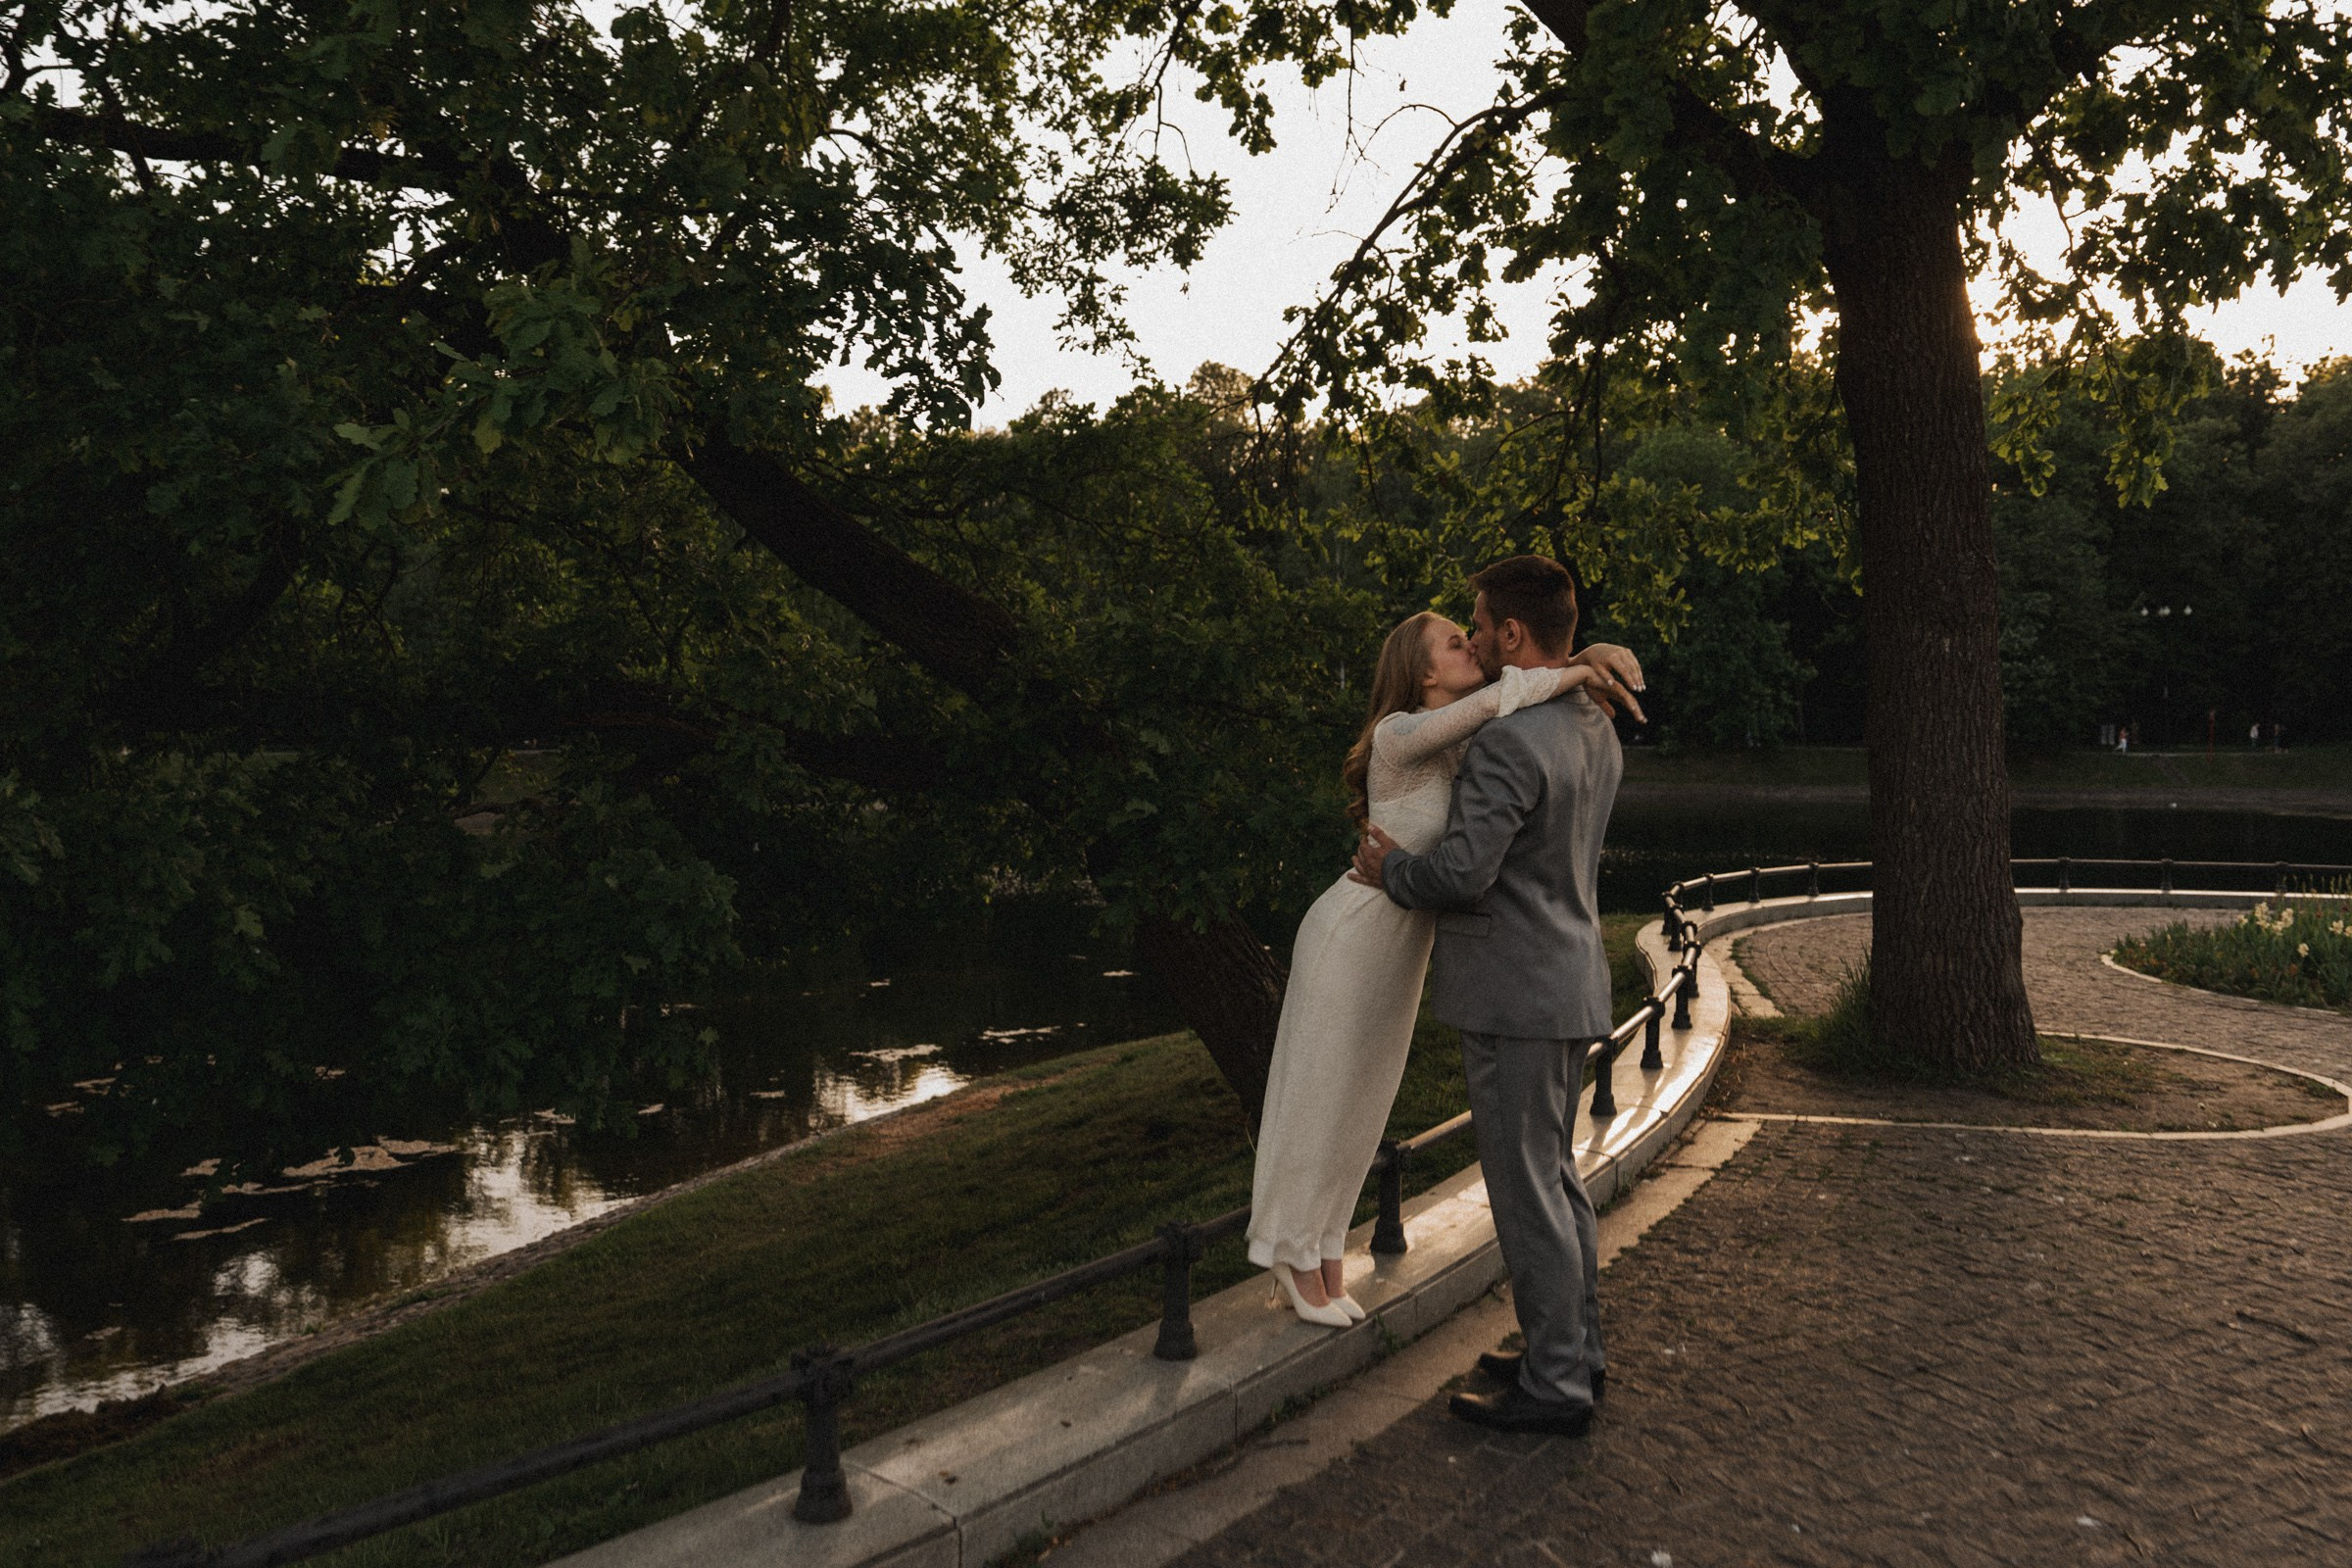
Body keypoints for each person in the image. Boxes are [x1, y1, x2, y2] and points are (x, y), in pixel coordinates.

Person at [1245, 607, 1643, 1329]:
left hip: (1400, 953)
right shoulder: (1400, 734)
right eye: (1456, 643)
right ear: (1423, 671)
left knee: (1364, 1104)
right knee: (1321, 1098)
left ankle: (1327, 1250)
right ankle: (1291, 1254)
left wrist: (1579, 658)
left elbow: (1520, 691)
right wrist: (1584, 663)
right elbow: (1506, 694)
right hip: (1351, 938)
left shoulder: (1465, 744)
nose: (1472, 648)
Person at [1350, 555, 1623, 1438]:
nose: (1472, 637)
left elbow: (1465, 873)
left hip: (1515, 996)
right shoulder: (1593, 721)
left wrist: (1394, 868)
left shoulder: (1509, 739)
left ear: (1512, 632)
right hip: (1568, 982)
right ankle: (1573, 1349)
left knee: (1527, 1193)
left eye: (1477, 624)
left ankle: (1557, 1384)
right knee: (1558, 1180)